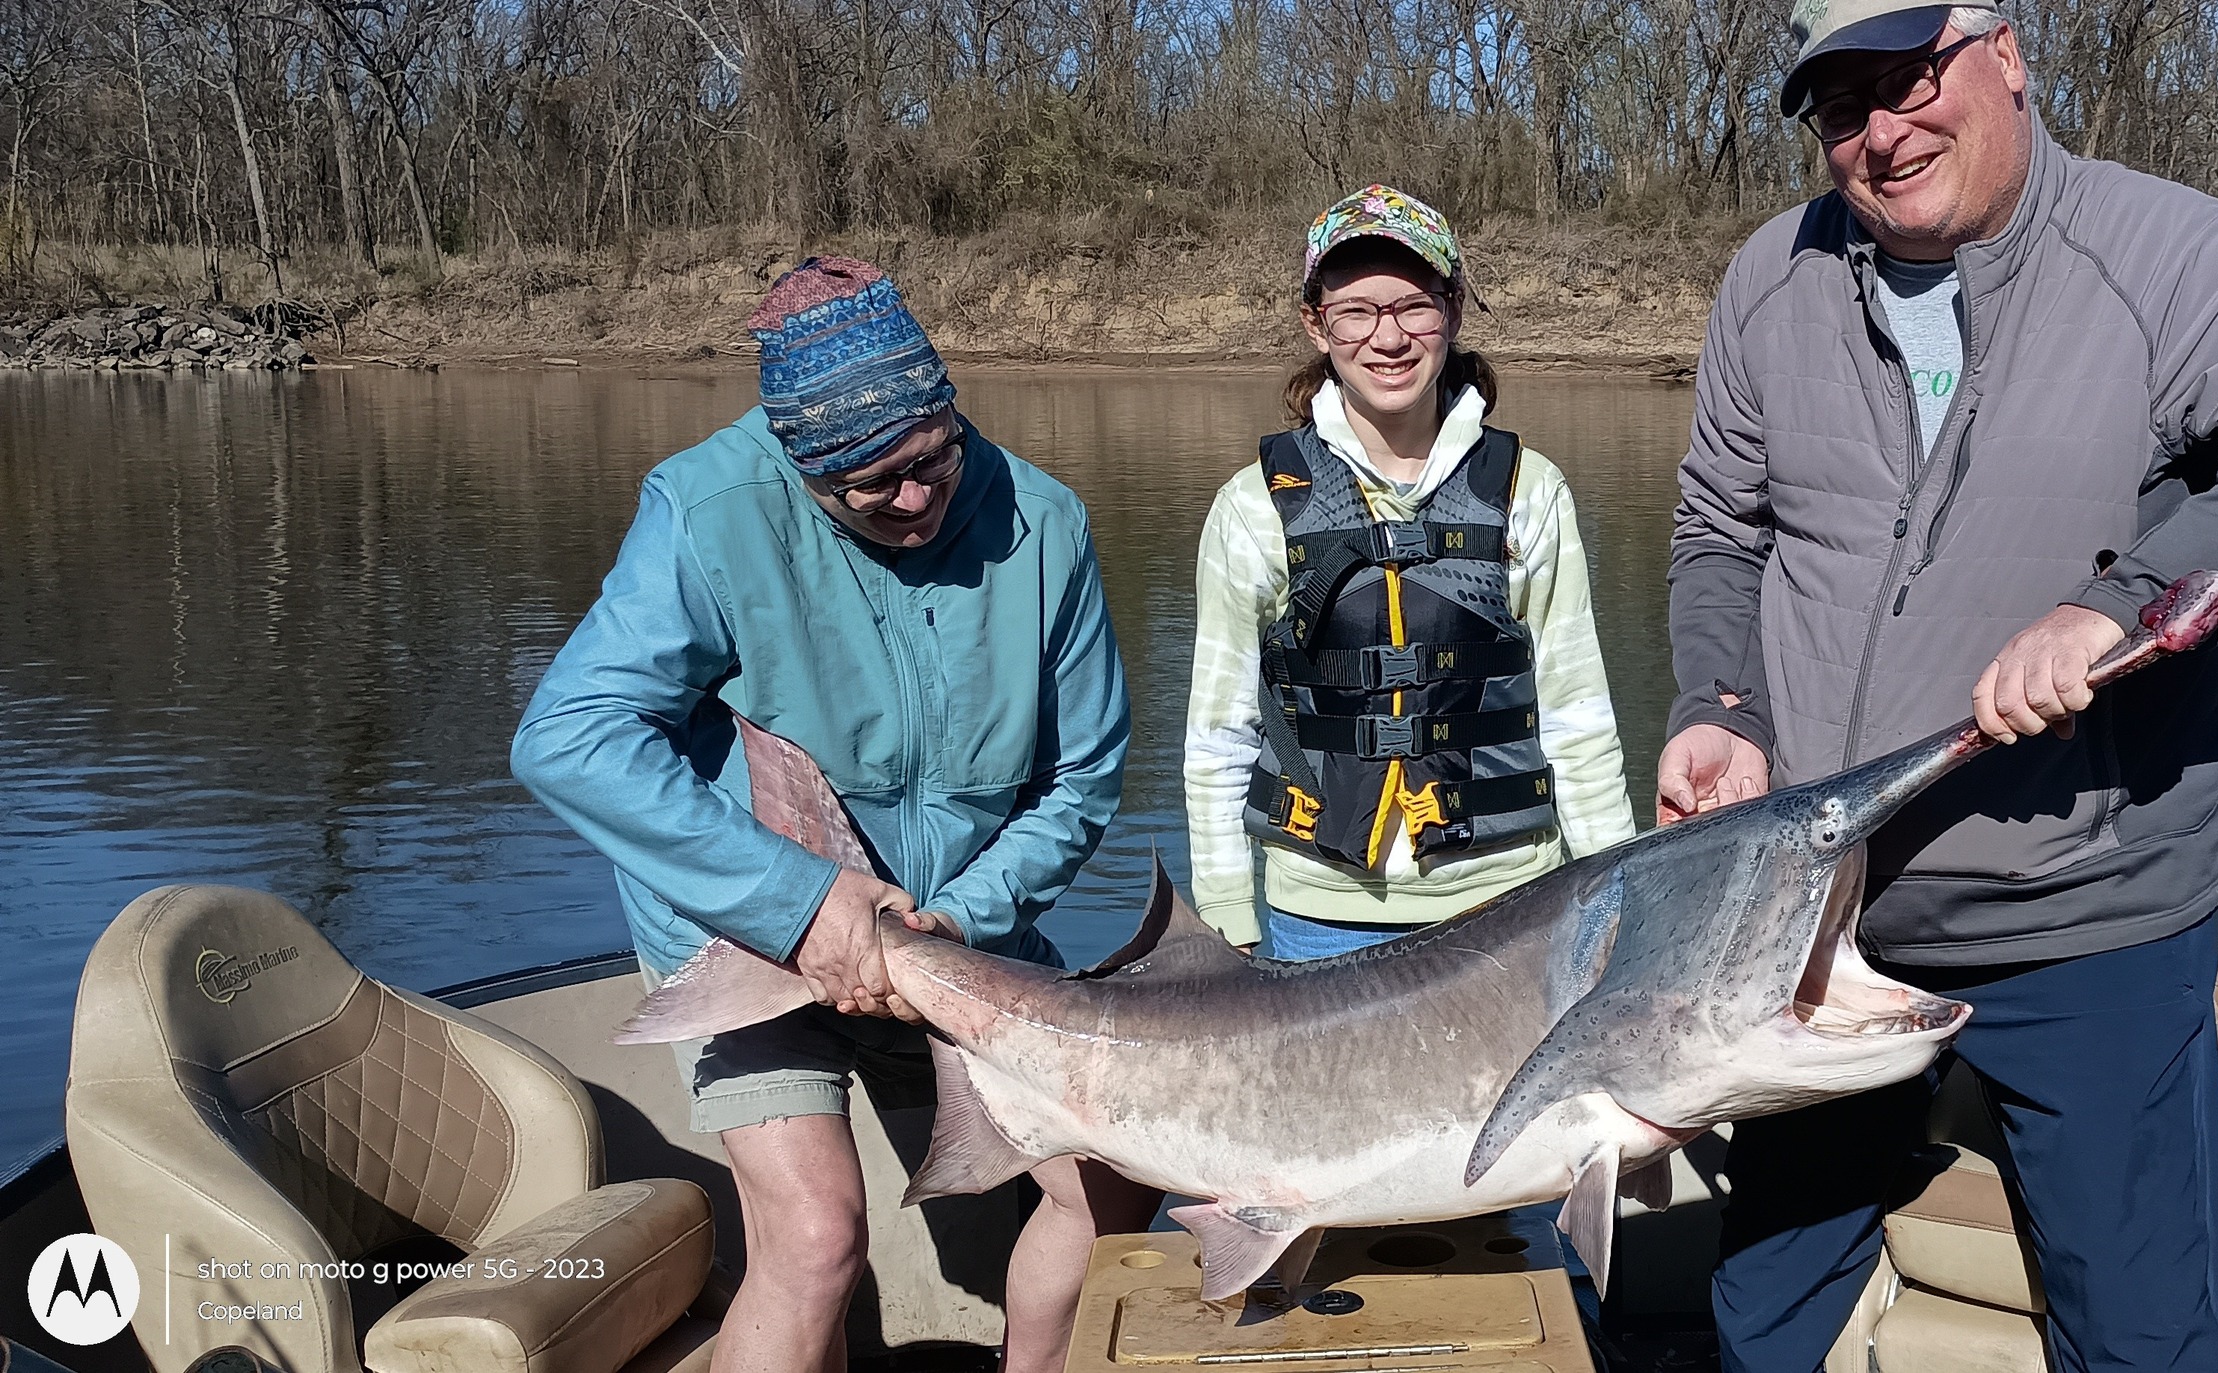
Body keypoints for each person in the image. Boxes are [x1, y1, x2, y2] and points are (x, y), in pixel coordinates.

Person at [1658, 3, 2218, 1368]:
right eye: (1839, 107)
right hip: (1816, 917)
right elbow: (1719, 531)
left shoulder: (2159, 251)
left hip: (2085, 922)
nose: (1881, 133)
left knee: (2145, 1334)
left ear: (2005, 55)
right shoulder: (1768, 280)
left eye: (1908, 79)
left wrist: (2116, 608)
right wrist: (1720, 714)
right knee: (1760, 1312)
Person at [510, 257, 1158, 1373]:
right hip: (748, 938)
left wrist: (956, 918)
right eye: (872, 487)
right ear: (800, 468)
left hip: (959, 933)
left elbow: (1083, 776)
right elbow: (568, 738)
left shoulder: (1043, 525)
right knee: (816, 1235)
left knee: (1110, 1180)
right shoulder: (707, 513)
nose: (916, 499)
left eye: (932, 460)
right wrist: (803, 906)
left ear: (952, 412)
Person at [1182, 185, 1633, 959]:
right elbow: (1219, 735)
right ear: (1316, 324)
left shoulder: (1531, 491)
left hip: (1512, 909)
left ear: (1451, 314)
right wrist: (1228, 922)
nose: (1386, 337)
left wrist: (1616, 899)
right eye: (1356, 310)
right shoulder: (1253, 506)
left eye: (1413, 306)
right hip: (1313, 921)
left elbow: (1576, 717)